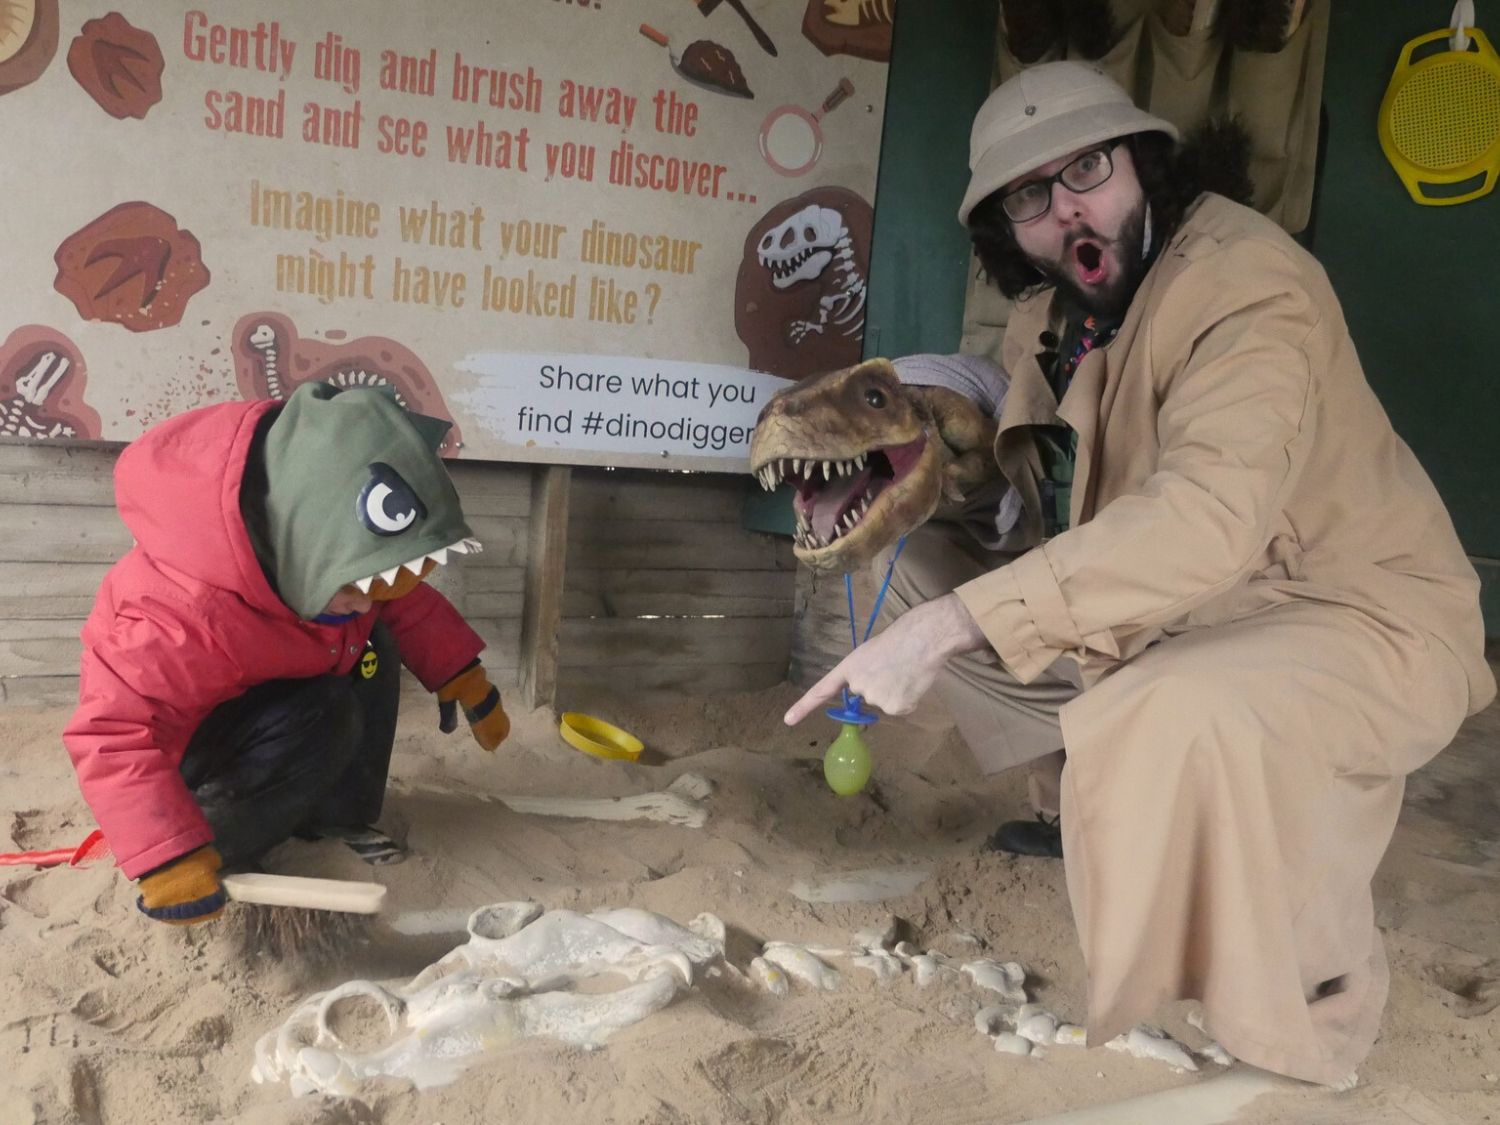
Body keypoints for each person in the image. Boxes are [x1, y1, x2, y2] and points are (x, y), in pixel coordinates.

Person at [784, 60, 1495, 1085]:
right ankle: (1084, 802)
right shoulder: (1060, 311)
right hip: (1180, 615)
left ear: (1145, 166)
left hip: (1359, 621)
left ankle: (1305, 1041)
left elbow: (1205, 520)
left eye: (1090, 168)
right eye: (1031, 195)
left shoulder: (1249, 284)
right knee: (920, 571)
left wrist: (949, 631)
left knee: (1162, 706)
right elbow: (1032, 479)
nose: (1069, 205)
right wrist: (909, 467)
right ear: (1005, 230)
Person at [63, 382, 512, 927]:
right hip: (189, 763)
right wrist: (167, 855)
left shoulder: (323, 562)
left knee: (370, 641)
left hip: (275, 699)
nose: (368, 599)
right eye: (357, 585)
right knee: (324, 708)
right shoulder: (175, 612)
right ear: (303, 540)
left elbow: (401, 602)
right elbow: (113, 734)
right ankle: (216, 843)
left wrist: (461, 674)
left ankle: (338, 819)